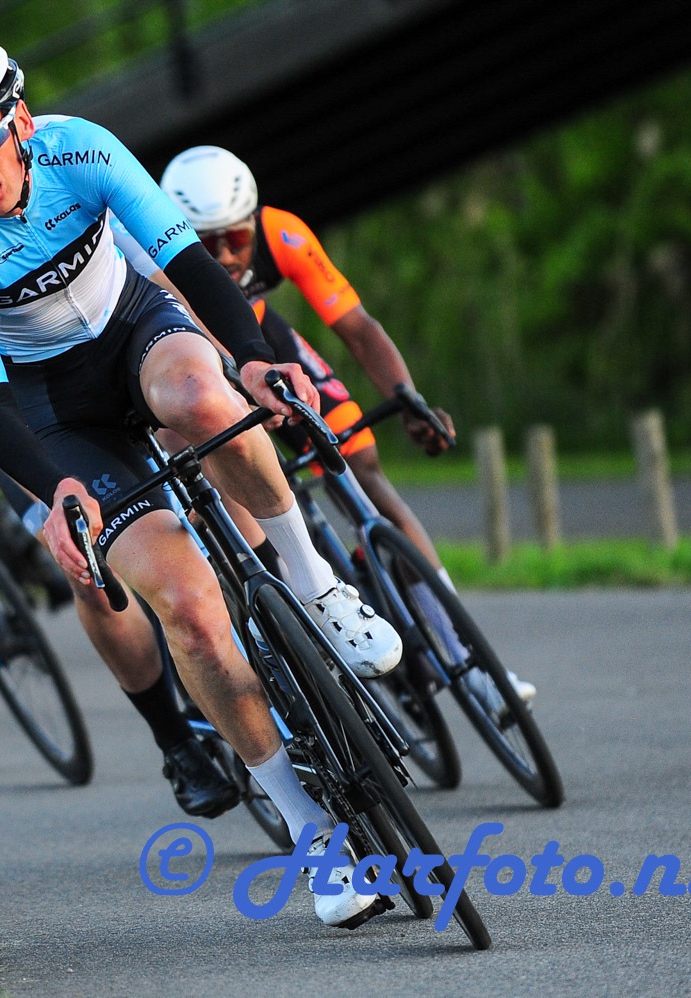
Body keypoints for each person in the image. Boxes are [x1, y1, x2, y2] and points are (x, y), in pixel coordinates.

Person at [0, 35, 403, 928]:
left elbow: (193, 264)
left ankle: (314, 582)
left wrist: (253, 358)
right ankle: (310, 830)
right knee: (191, 613)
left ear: (20, 121)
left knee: (204, 400)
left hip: (134, 328)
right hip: (49, 408)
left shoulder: (81, 148)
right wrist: (57, 491)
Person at [0, 171, 243, 819]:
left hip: (115, 353)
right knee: (92, 574)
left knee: (209, 424)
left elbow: (160, 276)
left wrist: (227, 365)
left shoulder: (64, 175)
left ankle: (277, 592)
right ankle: (175, 741)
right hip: (29, 405)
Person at [159, 145, 536, 707]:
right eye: (207, 245)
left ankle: (471, 663)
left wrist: (407, 399)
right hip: (209, 369)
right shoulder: (159, 257)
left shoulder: (282, 233)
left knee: (364, 471)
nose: (226, 256)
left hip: (267, 347)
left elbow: (357, 326)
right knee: (247, 493)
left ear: (254, 222)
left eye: (236, 238)